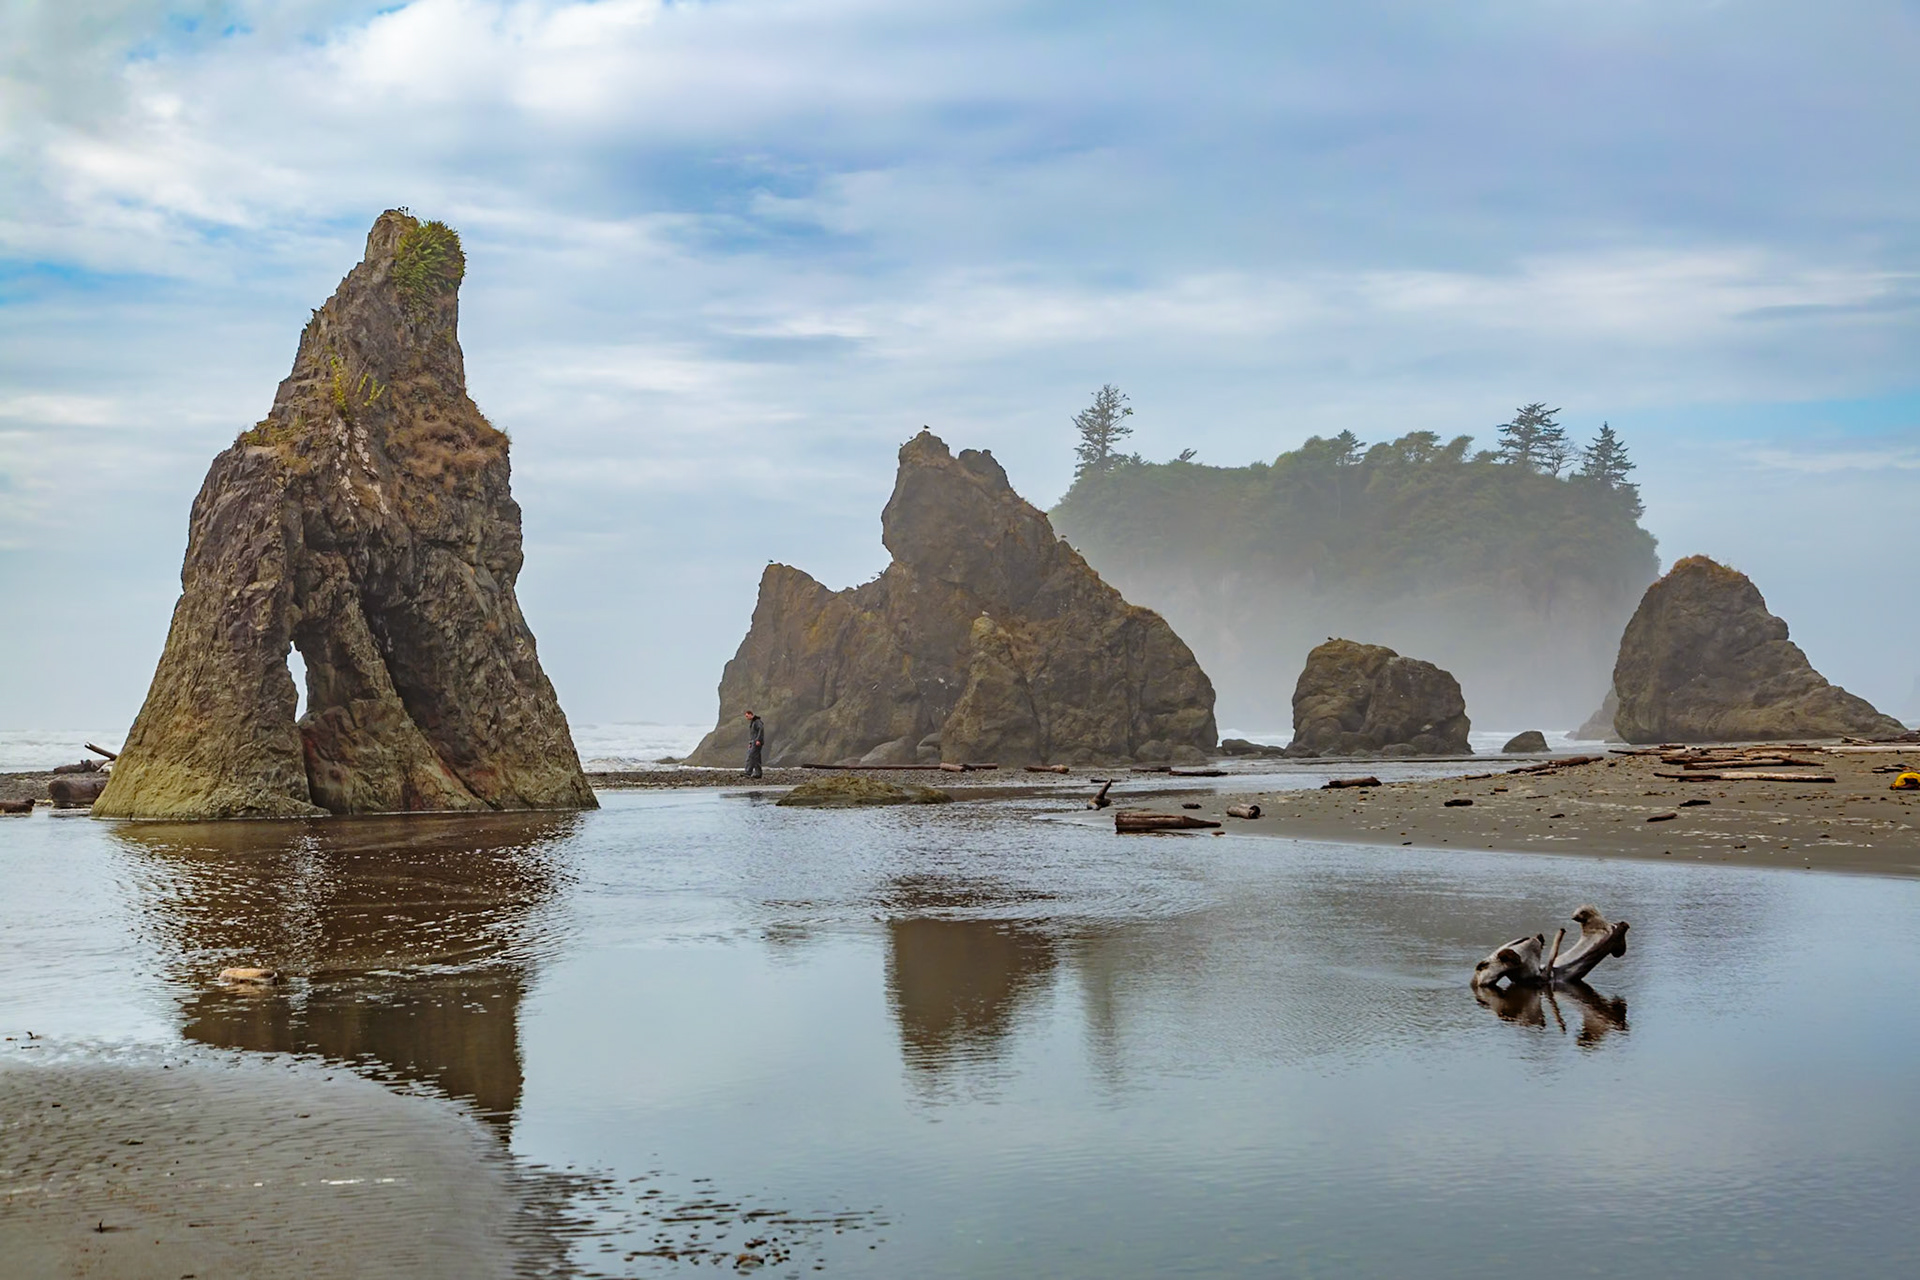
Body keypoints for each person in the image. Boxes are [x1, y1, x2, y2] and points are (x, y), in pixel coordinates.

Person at [743, 709, 765, 778]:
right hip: (754, 742)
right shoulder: (753, 722)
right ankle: (758, 773)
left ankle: (748, 772)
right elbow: (752, 734)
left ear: (750, 714)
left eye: (747, 716)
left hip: (757, 742)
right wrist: (750, 742)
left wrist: (758, 740)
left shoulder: (757, 722)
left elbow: (760, 730)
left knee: (751, 756)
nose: (747, 718)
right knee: (756, 757)